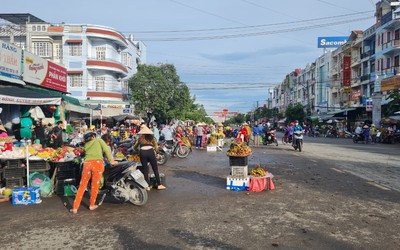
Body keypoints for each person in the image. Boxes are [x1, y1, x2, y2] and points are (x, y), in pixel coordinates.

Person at [70, 131, 117, 214]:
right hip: (97, 164)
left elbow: (83, 154)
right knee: (94, 185)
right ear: (93, 137)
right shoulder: (99, 140)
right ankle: (91, 205)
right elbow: (106, 149)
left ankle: (75, 208)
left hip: (87, 165)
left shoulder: (86, 145)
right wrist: (111, 161)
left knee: (82, 186)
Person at [133, 126, 166, 190]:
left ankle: (147, 186)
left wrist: (138, 151)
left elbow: (135, 147)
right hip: (150, 152)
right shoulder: (152, 138)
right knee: (155, 169)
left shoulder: (140, 138)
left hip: (142, 153)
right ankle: (159, 185)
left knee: (145, 170)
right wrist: (157, 153)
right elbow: (156, 146)